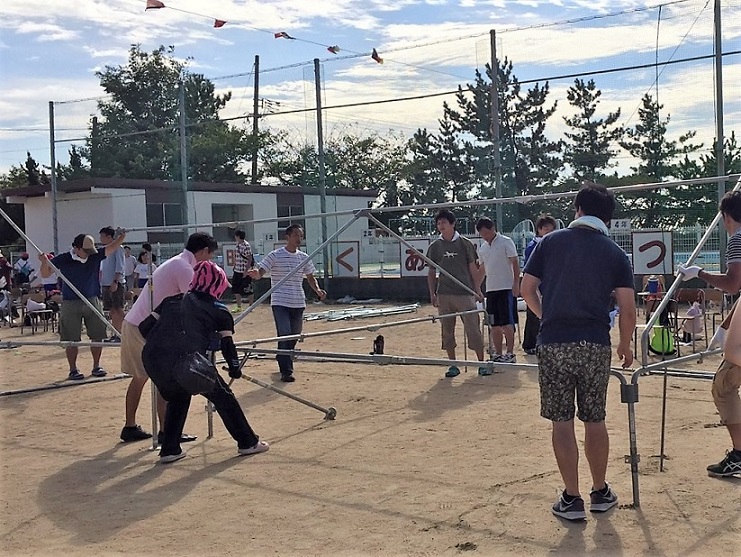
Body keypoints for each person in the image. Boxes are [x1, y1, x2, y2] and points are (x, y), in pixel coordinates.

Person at [521, 182, 635, 521]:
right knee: (595, 419)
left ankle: (571, 497)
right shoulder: (615, 253)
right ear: (608, 219)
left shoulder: (549, 242)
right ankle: (600, 490)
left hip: (555, 341)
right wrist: (625, 342)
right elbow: (628, 308)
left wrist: (546, 315)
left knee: (562, 422)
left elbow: (527, 288)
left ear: (578, 209)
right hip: (595, 343)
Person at [139, 260, 269, 463]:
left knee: (178, 397)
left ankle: (170, 449)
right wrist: (234, 368)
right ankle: (248, 442)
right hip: (187, 361)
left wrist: (167, 340)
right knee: (224, 396)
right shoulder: (219, 310)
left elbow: (144, 327)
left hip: (152, 359)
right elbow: (227, 345)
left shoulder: (171, 301)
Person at [119, 232, 217, 443]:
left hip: (142, 324)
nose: (210, 260)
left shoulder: (177, 262)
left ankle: (136, 427)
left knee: (144, 378)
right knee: (162, 379)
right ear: (203, 251)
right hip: (143, 327)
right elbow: (193, 303)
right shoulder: (184, 267)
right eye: (210, 255)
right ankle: (165, 431)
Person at [678, 190, 741, 477]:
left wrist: (700, 273)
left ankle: (739, 454)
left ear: (726, 216)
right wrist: (726, 326)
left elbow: (733, 284)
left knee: (723, 385)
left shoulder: (737, 239)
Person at [39, 232, 127, 380]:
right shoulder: (64, 258)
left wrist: (121, 238)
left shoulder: (94, 256)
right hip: (70, 302)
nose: (88, 254)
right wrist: (43, 262)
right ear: (77, 248)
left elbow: (111, 248)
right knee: (71, 338)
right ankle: (73, 369)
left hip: (92, 299)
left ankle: (96, 366)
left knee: (98, 335)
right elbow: (45, 274)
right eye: (85, 251)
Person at [247, 224, 326, 382]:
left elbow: (310, 277)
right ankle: (286, 371)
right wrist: (256, 274)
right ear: (287, 237)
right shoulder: (275, 255)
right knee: (284, 334)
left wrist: (317, 290)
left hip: (298, 302)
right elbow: (261, 271)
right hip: (280, 302)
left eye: (301, 236)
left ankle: (283, 356)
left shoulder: (304, 257)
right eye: (296, 235)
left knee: (294, 336)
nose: (299, 239)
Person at [426, 209, 486, 378]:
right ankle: (453, 364)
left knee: (473, 329)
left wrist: (477, 289)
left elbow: (473, 269)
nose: (441, 226)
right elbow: (431, 271)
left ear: (452, 224)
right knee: (447, 330)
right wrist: (432, 293)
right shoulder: (435, 247)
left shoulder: (465, 244)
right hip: (444, 293)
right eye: (438, 223)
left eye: (444, 222)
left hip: (465, 293)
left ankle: (481, 363)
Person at [476, 217, 520, 365]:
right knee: (493, 324)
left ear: (493, 228)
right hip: (491, 290)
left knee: (507, 322)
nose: (485, 236)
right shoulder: (483, 248)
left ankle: (510, 352)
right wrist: (477, 287)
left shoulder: (506, 242)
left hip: (506, 288)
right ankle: (498, 353)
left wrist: (516, 283)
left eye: (486, 233)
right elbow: (482, 269)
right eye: (482, 234)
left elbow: (515, 263)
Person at [522, 215, 557, 355]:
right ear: (539, 229)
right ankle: (530, 344)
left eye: (551, 229)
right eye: (546, 229)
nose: (549, 232)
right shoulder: (533, 246)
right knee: (533, 315)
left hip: (549, 286)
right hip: (536, 285)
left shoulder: (553, 244)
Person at [99, 227, 126, 343]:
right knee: (112, 310)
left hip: (116, 283)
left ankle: (124, 333)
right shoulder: (104, 250)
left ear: (109, 237)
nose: (100, 239)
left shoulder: (118, 248)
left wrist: (115, 281)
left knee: (118, 309)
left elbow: (120, 266)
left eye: (102, 236)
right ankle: (116, 334)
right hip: (105, 283)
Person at [231, 229, 255, 313]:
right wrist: (235, 265)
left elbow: (249, 259)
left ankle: (251, 306)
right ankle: (239, 306)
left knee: (248, 288)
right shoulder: (237, 244)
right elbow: (236, 256)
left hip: (245, 271)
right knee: (236, 289)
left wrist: (246, 270)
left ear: (238, 236)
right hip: (237, 270)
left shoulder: (246, 245)